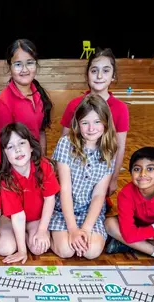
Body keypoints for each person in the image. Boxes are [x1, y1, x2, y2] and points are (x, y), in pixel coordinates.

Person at [49, 94, 117, 259]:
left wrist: (86, 228)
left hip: (89, 210)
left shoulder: (109, 150)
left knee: (91, 252)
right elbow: (65, 189)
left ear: (106, 123)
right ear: (77, 124)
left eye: (97, 122)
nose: (91, 128)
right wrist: (72, 229)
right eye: (85, 123)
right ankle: (51, 234)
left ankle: (84, 232)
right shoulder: (66, 143)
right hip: (64, 209)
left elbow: (99, 194)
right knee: (66, 250)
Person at [60, 48, 129, 196]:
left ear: (113, 75)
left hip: (101, 178)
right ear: (87, 74)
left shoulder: (120, 108)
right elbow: (64, 142)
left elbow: (120, 146)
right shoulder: (74, 105)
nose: (99, 76)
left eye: (105, 71)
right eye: (94, 70)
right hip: (74, 177)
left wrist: (114, 178)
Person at [0, 123, 60, 264]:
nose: (18, 150)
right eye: (10, 147)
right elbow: (18, 216)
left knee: (38, 248)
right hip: (11, 218)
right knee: (5, 248)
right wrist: (22, 251)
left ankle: (27, 234)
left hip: (36, 218)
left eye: (21, 143)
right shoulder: (6, 177)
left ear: (31, 146)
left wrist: (41, 231)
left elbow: (49, 200)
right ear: (4, 154)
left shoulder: (44, 166)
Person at [0, 39, 53, 153]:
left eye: (29, 63)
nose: (24, 70)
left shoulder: (38, 93)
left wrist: (42, 160)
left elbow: (40, 131)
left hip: (35, 163)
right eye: (18, 64)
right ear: (9, 66)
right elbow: (2, 146)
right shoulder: (3, 103)